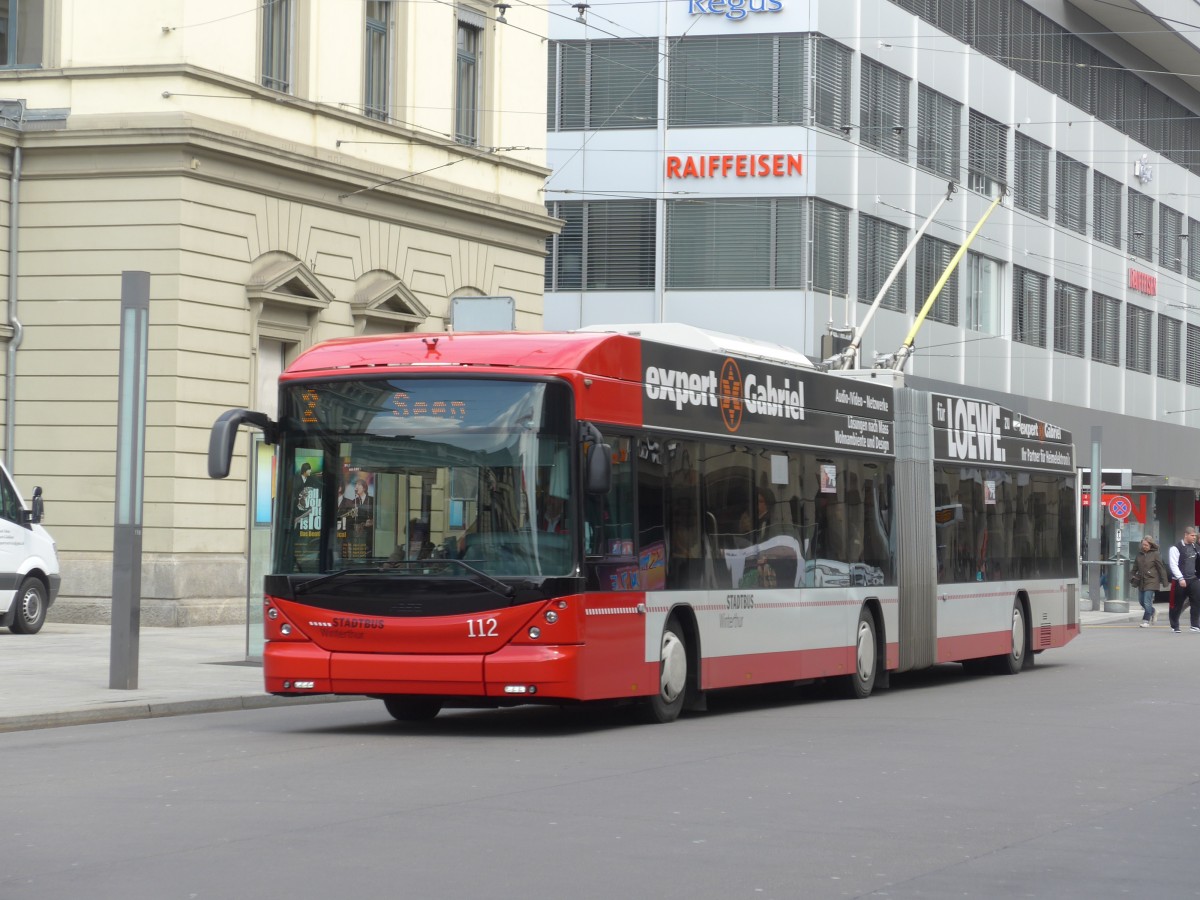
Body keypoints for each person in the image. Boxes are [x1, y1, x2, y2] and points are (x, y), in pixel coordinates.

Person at [1167, 525, 1200, 633]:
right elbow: (1173, 565)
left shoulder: (1196, 547)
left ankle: (1195, 625)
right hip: (1179, 580)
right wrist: (1180, 578)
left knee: (1196, 602)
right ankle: (1174, 626)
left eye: (1195, 536)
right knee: (1177, 604)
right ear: (1186, 535)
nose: (1194, 537)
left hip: (1193, 579)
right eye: (1192, 535)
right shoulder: (1176, 548)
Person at [1130, 536, 1168, 627]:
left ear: (1151, 545)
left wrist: (1164, 581)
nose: (1144, 546)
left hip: (1152, 580)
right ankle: (1154, 611)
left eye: (1146, 545)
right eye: (1143, 545)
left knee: (1147, 601)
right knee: (1141, 601)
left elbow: (1161, 568)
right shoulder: (1139, 554)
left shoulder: (1156, 554)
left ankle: (1145, 621)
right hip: (1141, 580)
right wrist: (1131, 576)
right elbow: (1135, 568)